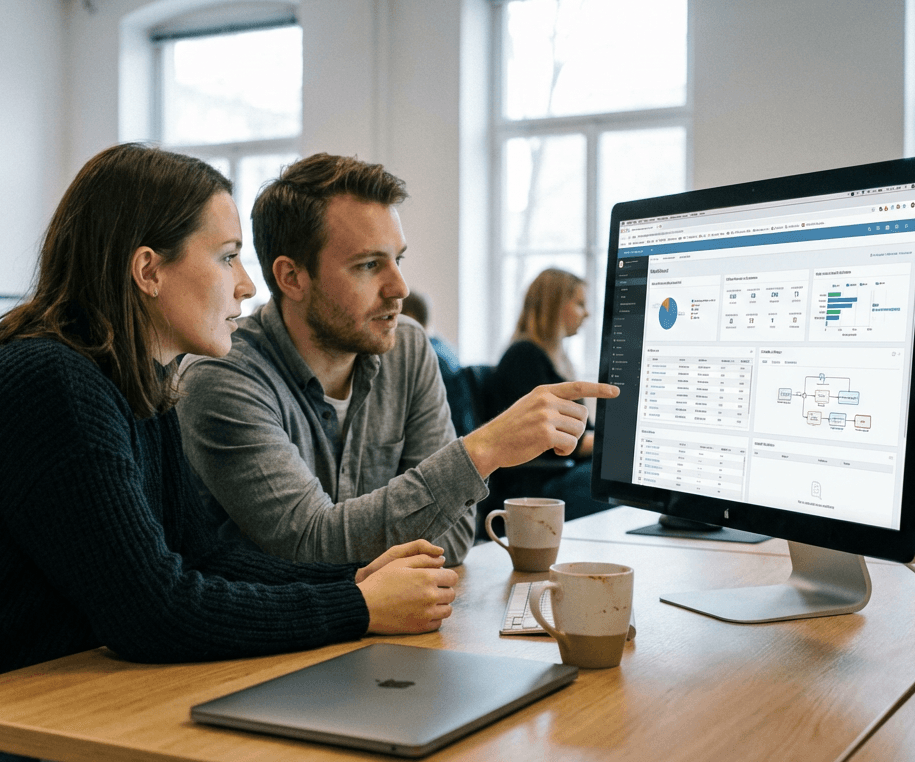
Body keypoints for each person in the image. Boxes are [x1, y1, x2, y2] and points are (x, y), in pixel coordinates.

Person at [0, 145, 458, 762]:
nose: (246, 285)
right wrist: (359, 607)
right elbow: (152, 612)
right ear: (147, 270)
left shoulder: (141, 386)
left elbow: (205, 555)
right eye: (228, 256)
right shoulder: (52, 382)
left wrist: (358, 579)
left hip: (16, 717)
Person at [177, 153, 618, 567]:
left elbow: (454, 537)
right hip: (275, 645)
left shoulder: (406, 347)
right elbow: (307, 544)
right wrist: (482, 450)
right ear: (291, 277)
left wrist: (364, 539)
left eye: (398, 259)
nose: (400, 288)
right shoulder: (223, 374)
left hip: (396, 623)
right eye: (369, 265)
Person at [488, 268, 615, 520]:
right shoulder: (523, 357)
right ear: (555, 305)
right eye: (579, 304)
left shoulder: (560, 361)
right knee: (615, 476)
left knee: (616, 473)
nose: (587, 313)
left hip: (563, 473)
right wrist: (615, 442)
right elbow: (558, 441)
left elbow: (584, 432)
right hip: (539, 483)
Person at [400, 291, 474, 436]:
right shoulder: (445, 349)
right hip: (463, 432)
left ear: (409, 318)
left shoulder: (423, 356)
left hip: (446, 436)